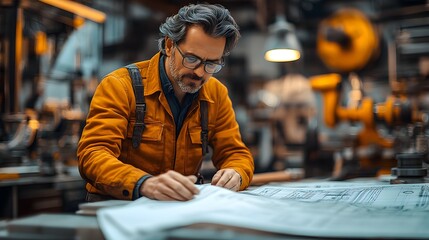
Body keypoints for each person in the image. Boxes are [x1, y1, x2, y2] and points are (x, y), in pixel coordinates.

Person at [77, 3, 254, 201]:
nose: (200, 72)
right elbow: (92, 155)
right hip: (116, 207)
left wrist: (237, 173)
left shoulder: (216, 94)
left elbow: (235, 153)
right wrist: (143, 183)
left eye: (211, 63)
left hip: (177, 209)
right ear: (170, 46)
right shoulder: (120, 86)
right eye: (192, 58)